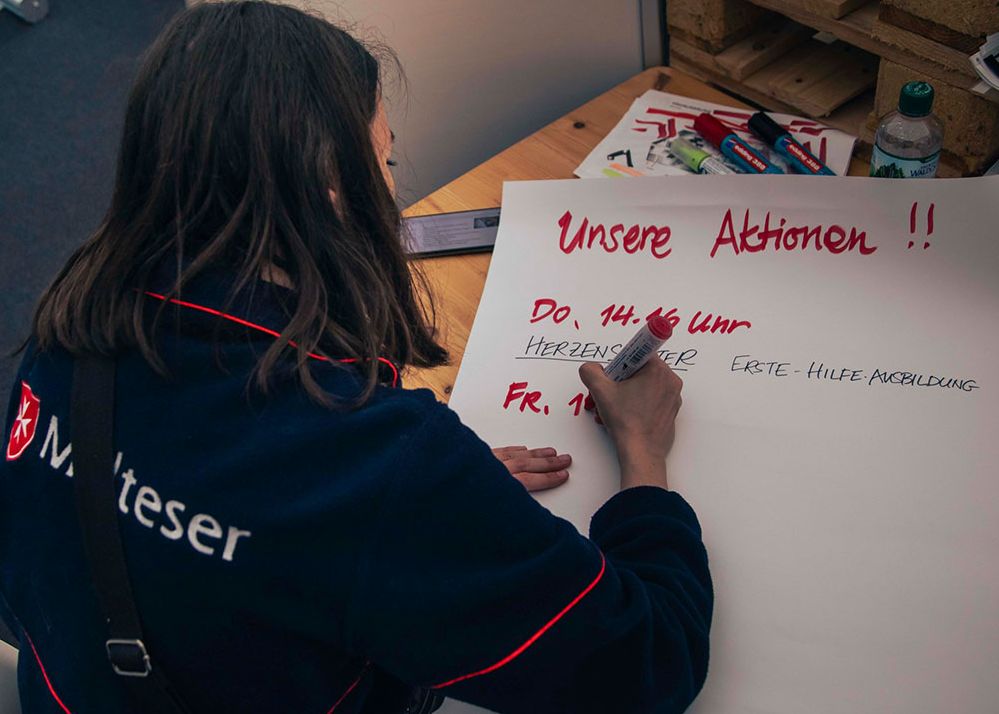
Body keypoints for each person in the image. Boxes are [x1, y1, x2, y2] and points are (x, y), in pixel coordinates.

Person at [0, 2, 712, 713]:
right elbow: (647, 665)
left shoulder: (71, 326)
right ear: (332, 188)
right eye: (384, 158)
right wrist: (642, 455)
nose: (390, 185)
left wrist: (413, 520)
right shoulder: (374, 458)